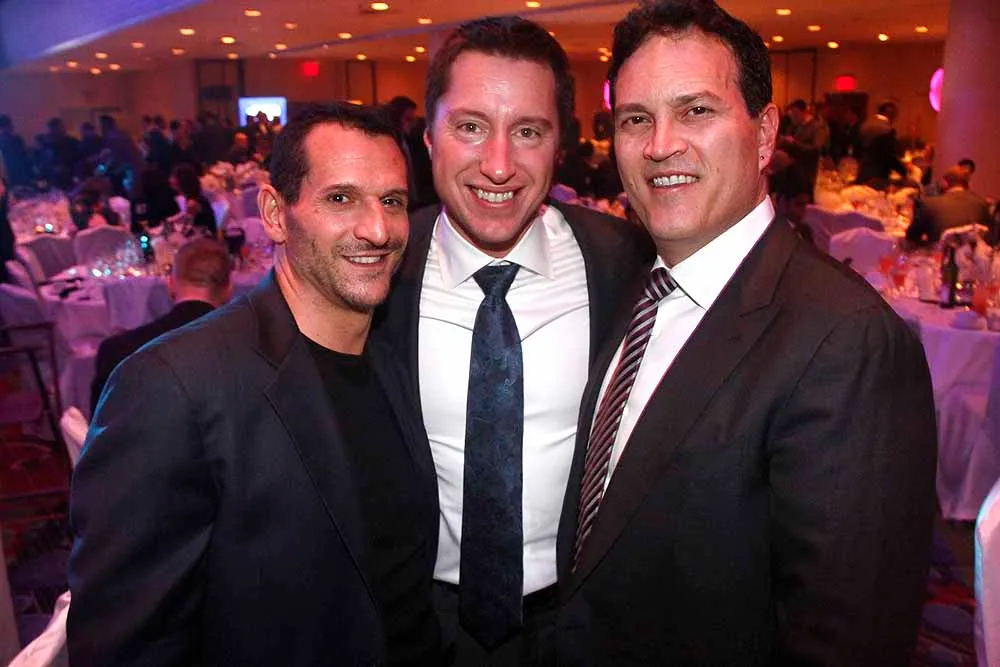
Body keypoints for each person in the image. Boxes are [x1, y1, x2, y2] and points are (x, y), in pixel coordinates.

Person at [555, 1, 937, 665]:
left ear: (764, 136)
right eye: (636, 119)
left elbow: (849, 639)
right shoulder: (634, 290)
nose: (660, 144)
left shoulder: (846, 341)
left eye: (695, 111)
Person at [68, 102, 443, 666]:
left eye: (391, 201)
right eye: (340, 199)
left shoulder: (397, 359)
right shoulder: (173, 386)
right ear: (274, 213)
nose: (377, 229)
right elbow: (125, 648)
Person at [375, 16, 651, 667]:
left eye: (528, 132)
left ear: (560, 145)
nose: (498, 165)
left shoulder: (626, 264)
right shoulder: (379, 267)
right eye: (470, 127)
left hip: (586, 622)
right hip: (418, 623)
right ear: (428, 137)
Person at [89, 238, 231, 412]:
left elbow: (102, 427)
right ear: (229, 290)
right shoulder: (250, 348)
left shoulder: (118, 352)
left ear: (170, 284)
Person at [906, 165, 993, 246]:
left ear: (945, 183)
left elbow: (912, 237)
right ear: (968, 184)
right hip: (972, 256)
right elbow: (988, 235)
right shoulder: (982, 204)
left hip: (939, 255)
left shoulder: (929, 204)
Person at [856, 101, 906, 186]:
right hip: (878, 178)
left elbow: (857, 151)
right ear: (891, 114)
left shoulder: (864, 126)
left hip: (862, 174)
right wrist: (904, 172)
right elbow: (890, 157)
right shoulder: (887, 130)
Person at [170, 162, 217, 236]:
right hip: (201, 235)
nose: (170, 180)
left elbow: (187, 229)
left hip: (206, 239)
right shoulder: (192, 197)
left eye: (173, 177)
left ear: (182, 180)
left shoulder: (192, 203)